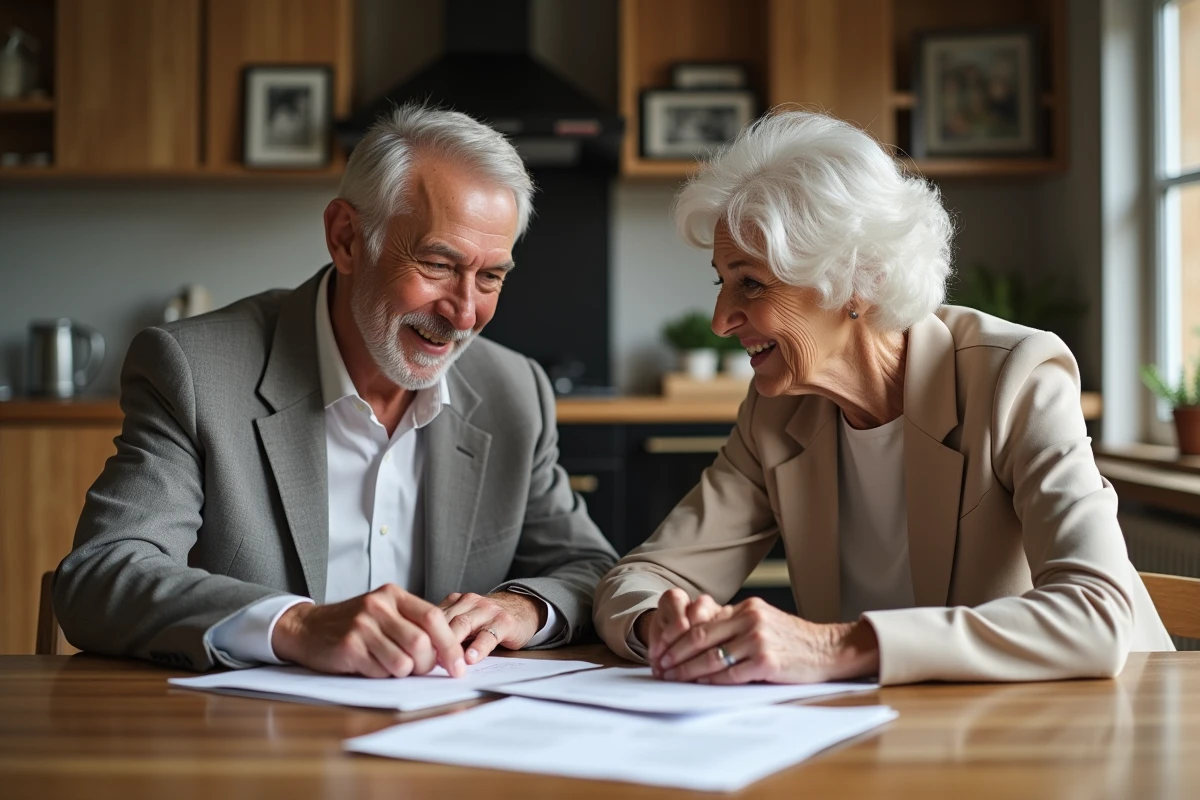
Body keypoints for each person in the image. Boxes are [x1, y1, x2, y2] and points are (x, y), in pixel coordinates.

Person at [593, 110, 1173, 686]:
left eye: (751, 282)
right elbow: (646, 575)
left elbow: (1096, 615)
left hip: (1081, 731)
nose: (721, 320)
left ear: (855, 281)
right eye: (722, 282)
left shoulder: (1017, 379)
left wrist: (834, 645)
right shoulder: (778, 410)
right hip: (897, 733)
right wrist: (663, 627)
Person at [54, 103, 617, 677]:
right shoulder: (195, 370)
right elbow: (101, 575)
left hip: (446, 743)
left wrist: (521, 607)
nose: (465, 312)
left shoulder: (514, 391)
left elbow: (592, 569)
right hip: (247, 746)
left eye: (491, 276)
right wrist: (296, 625)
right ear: (346, 238)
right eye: (437, 264)